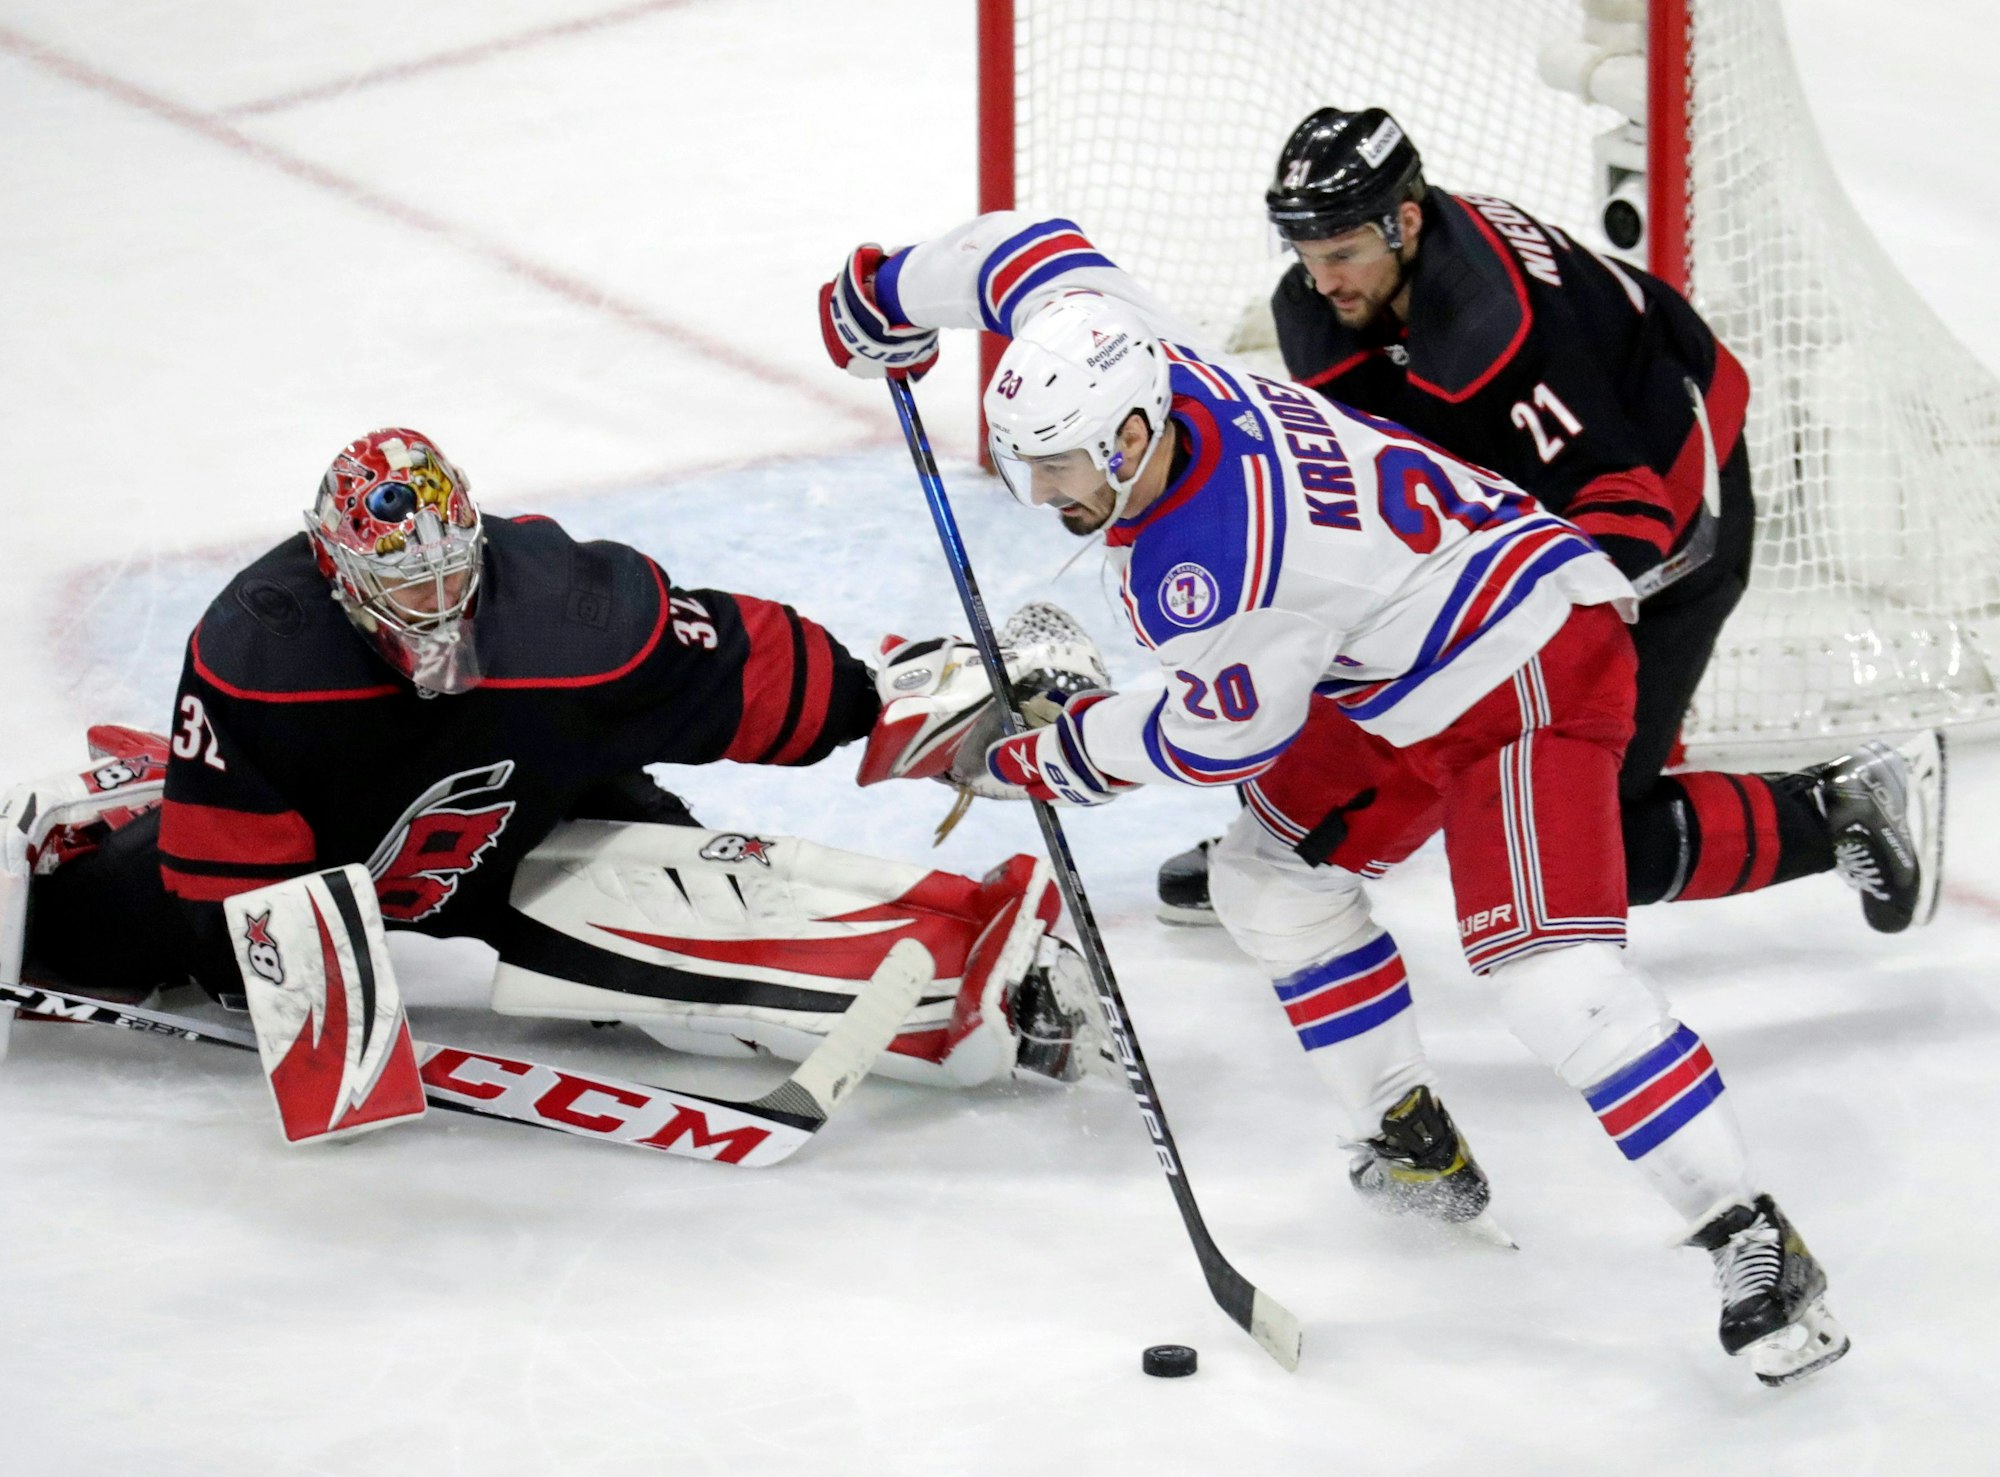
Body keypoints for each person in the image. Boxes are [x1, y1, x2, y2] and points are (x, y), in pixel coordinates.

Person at [820, 219, 1850, 1385]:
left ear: (1130, 433)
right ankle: (1409, 1145)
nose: (1038, 491)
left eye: (1057, 465)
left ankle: (1750, 1238)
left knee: (1544, 972)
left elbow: (1216, 738)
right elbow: (1034, 255)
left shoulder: (1209, 563)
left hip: (1529, 661)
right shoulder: (1152, 359)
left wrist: (1037, 758)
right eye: (1023, 461)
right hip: (1398, 647)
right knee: (1268, 882)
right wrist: (885, 290)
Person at [0, 428, 1109, 1089]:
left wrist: (911, 708)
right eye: (405, 589)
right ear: (339, 573)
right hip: (321, 865)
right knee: (74, 932)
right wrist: (273, 971)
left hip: (531, 824)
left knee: (705, 950)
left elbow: (746, 670)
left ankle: (994, 984)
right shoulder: (260, 653)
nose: (437, 613)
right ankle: (108, 822)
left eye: (450, 579)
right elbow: (225, 886)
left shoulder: (572, 612)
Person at [1152, 105, 1943, 931]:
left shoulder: (1492, 323)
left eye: (1343, 255)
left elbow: (1623, 499)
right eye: (1309, 257)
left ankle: (1840, 803)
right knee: (1345, 662)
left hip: (1675, 501)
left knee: (1589, 835)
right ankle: (1281, 854)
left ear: (1406, 222)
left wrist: (1522, 635)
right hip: (1555, 475)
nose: (1324, 281)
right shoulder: (1329, 305)